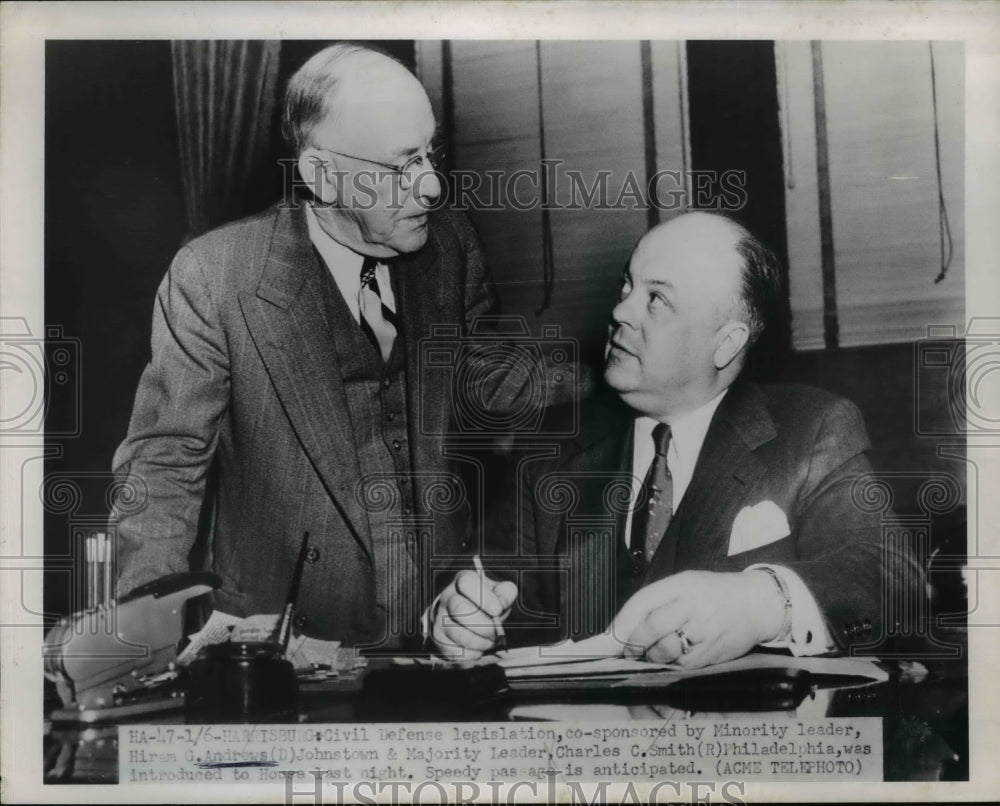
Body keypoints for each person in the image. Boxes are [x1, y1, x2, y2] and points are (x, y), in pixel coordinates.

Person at [111, 43, 577, 649]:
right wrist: (145, 645)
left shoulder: (451, 246)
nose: (432, 185)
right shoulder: (214, 277)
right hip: (283, 649)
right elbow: (164, 468)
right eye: (401, 165)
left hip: (440, 633)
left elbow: (488, 405)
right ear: (321, 176)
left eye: (430, 153)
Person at [432, 211, 924, 666]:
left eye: (656, 299)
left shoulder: (811, 429)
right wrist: (462, 620)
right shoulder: (551, 448)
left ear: (725, 342)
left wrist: (761, 603)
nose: (621, 311)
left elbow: (893, 581)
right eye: (626, 285)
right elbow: (492, 596)